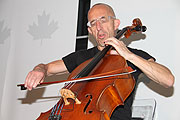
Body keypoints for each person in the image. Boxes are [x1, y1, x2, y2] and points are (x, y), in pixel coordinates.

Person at [24, 3, 174, 120]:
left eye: (103, 20)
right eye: (93, 23)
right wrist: (39, 70)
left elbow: (167, 79)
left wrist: (128, 55)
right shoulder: (82, 57)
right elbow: (47, 67)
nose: (99, 27)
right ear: (90, 31)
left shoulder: (135, 55)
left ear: (115, 24)